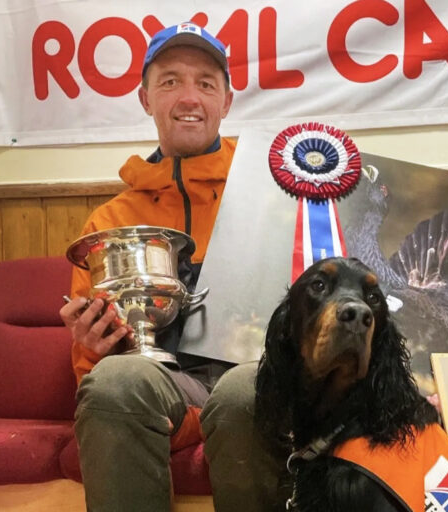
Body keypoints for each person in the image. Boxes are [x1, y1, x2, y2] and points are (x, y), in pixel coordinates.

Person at [59, 22, 285, 512]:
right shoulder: (109, 223)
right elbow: (93, 372)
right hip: (166, 392)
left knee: (245, 391)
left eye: (205, 83)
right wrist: (96, 346)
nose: (189, 97)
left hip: (251, 384)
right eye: (170, 81)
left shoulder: (274, 194)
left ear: (227, 101)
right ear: (145, 98)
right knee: (115, 383)